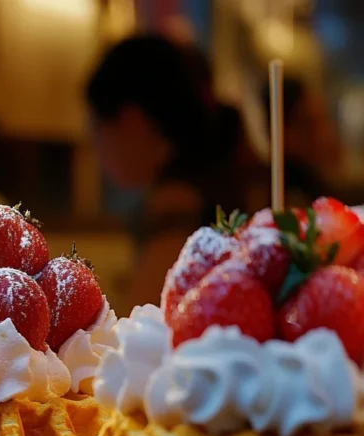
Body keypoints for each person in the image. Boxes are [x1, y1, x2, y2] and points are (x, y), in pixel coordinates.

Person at [86, 35, 269, 309]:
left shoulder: (175, 213)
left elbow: (141, 329)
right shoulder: (226, 182)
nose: (95, 150)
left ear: (132, 121)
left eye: (96, 130)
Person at [260, 76, 343, 209]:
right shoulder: (288, 200)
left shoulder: (323, 187)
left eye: (326, 120)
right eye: (310, 124)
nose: (327, 135)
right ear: (282, 132)